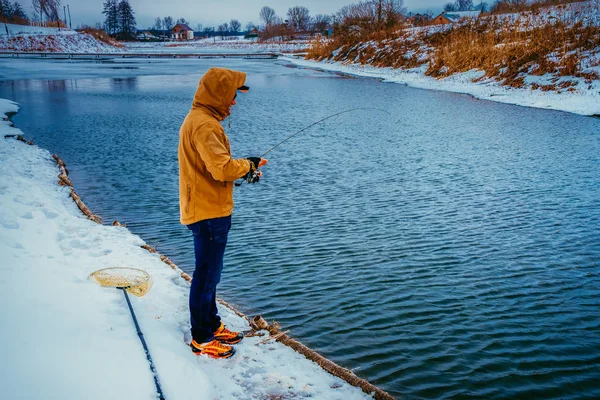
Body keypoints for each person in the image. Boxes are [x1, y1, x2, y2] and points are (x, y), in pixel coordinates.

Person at [178, 67, 266, 359]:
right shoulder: (204, 125)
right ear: (218, 95)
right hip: (207, 213)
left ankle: (212, 324)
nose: (234, 103)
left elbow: (214, 168)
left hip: (208, 208)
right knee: (206, 275)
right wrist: (248, 165)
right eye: (231, 96)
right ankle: (201, 338)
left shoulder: (202, 120)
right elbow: (222, 169)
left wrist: (245, 166)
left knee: (211, 275)